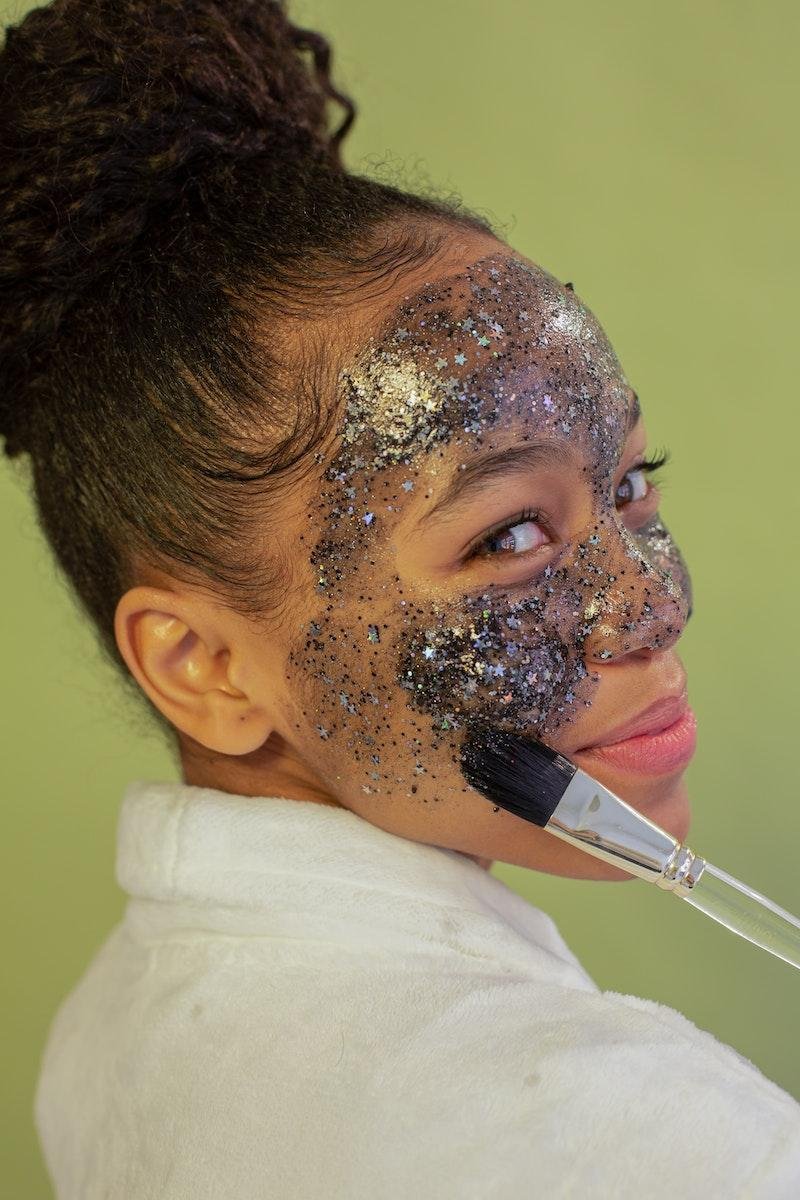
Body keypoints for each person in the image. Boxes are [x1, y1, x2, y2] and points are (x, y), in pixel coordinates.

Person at [2, 1, 798, 1196]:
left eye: (629, 482)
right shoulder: (652, 1142)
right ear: (202, 666)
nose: (647, 604)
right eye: (510, 534)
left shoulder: (105, 1032)